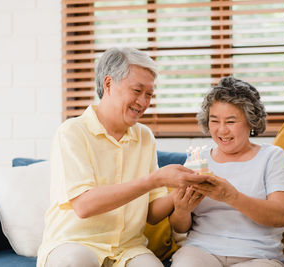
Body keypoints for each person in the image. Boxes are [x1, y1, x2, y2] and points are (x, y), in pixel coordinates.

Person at [36, 47, 210, 267]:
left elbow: (152, 214)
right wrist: (155, 180)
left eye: (149, 94)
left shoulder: (144, 137)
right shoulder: (72, 132)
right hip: (74, 243)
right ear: (108, 84)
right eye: (137, 90)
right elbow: (84, 205)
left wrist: (179, 193)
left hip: (128, 249)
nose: (144, 102)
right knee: (76, 261)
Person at [169, 76, 284, 267]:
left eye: (230, 121)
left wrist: (231, 196)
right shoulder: (197, 158)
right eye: (214, 121)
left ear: (251, 121)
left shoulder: (272, 157)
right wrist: (181, 210)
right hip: (201, 251)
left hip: (258, 256)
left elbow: (280, 216)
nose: (222, 131)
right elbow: (180, 227)